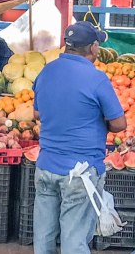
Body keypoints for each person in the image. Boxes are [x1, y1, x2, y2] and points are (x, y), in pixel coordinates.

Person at [32, 21, 126, 253]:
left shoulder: (46, 71)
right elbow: (119, 124)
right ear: (93, 47)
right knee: (74, 241)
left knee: (43, 236)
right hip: (79, 171)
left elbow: (37, 113)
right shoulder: (96, 78)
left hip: (45, 166)